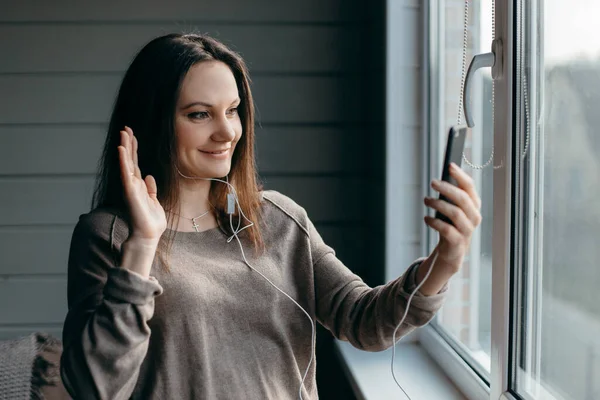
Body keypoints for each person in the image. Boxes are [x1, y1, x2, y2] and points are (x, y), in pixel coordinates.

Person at [60, 33, 482, 400]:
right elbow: (96, 387)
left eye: (233, 110)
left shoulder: (278, 219)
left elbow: (366, 322)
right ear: (153, 123)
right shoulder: (109, 236)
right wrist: (143, 244)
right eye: (199, 114)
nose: (227, 132)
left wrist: (444, 261)